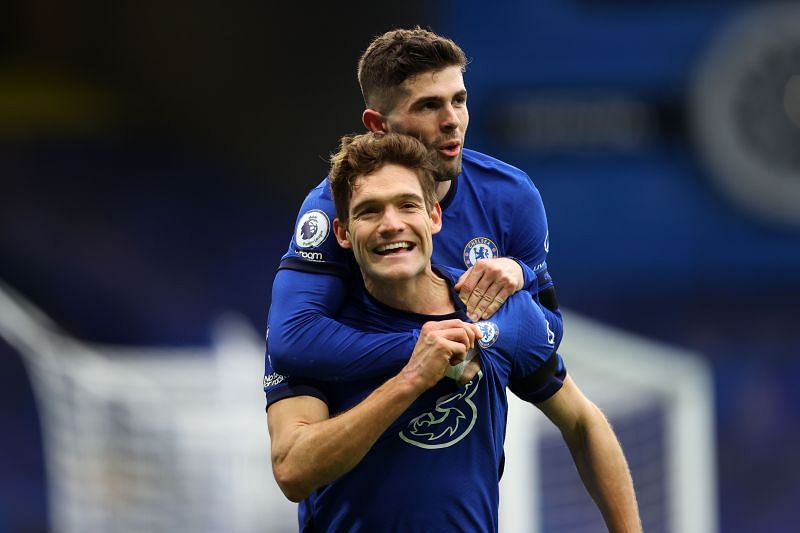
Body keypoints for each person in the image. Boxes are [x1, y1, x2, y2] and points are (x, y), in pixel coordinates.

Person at [265, 132, 641, 532]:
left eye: (407, 205)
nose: (391, 225)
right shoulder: (316, 335)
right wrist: (411, 379)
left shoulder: (500, 311)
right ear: (342, 232)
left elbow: (583, 422)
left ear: (434, 217)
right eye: (370, 211)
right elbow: (292, 470)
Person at [267, 27, 562, 382]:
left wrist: (521, 275)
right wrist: (431, 350)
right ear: (378, 125)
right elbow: (291, 341)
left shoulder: (511, 195)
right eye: (428, 105)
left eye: (459, 100)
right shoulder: (335, 208)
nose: (452, 120)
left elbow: (549, 335)